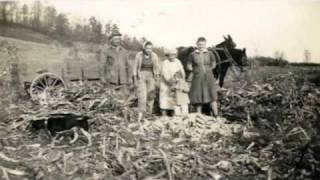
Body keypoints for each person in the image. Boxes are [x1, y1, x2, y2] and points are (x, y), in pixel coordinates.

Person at [187, 37, 219, 117]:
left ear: (205, 45)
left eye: (203, 44)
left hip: (209, 77)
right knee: (198, 96)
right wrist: (194, 70)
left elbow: (214, 63)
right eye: (199, 44)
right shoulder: (192, 54)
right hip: (197, 77)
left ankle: (216, 115)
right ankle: (199, 116)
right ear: (197, 44)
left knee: (212, 95)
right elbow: (189, 65)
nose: (201, 46)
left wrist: (208, 70)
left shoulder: (210, 53)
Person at [98, 29, 133, 96]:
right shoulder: (106, 51)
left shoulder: (124, 51)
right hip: (111, 80)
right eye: (116, 39)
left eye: (119, 39)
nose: (118, 41)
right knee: (112, 99)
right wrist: (102, 77)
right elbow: (102, 65)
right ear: (111, 40)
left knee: (124, 98)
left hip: (123, 80)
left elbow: (129, 66)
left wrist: (129, 78)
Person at [133, 41, 160, 119]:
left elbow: (157, 68)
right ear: (144, 48)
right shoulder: (139, 55)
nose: (149, 50)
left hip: (151, 76)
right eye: (147, 48)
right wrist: (135, 78)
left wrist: (157, 78)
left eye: (150, 48)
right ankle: (141, 115)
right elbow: (135, 67)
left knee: (150, 96)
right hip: (141, 75)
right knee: (142, 96)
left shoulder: (154, 56)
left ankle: (149, 114)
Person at [159, 49, 185, 116]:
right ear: (167, 56)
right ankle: (164, 116)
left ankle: (173, 115)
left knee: (174, 100)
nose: (171, 57)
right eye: (170, 55)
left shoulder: (178, 62)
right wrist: (171, 82)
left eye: (173, 55)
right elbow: (165, 74)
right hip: (166, 84)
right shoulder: (165, 62)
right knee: (164, 100)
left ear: (176, 55)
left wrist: (180, 81)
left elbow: (182, 71)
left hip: (176, 83)